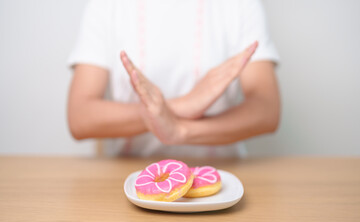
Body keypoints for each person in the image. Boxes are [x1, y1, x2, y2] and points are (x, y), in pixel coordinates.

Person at [67, 0, 280, 157]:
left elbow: (267, 110)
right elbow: (80, 117)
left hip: (223, 177)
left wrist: (180, 130)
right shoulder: (106, 6)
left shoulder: (240, 6)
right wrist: (181, 106)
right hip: (130, 179)